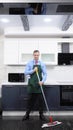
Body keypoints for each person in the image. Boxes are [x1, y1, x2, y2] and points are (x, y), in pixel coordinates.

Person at [22, 50, 47, 121]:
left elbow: (45, 74)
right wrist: (33, 70)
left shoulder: (42, 64)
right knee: (29, 101)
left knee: (40, 101)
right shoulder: (29, 63)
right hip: (31, 85)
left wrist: (42, 81)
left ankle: (41, 115)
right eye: (35, 55)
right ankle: (27, 114)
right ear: (33, 55)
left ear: (39, 55)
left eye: (37, 55)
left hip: (39, 85)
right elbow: (26, 72)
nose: (36, 56)